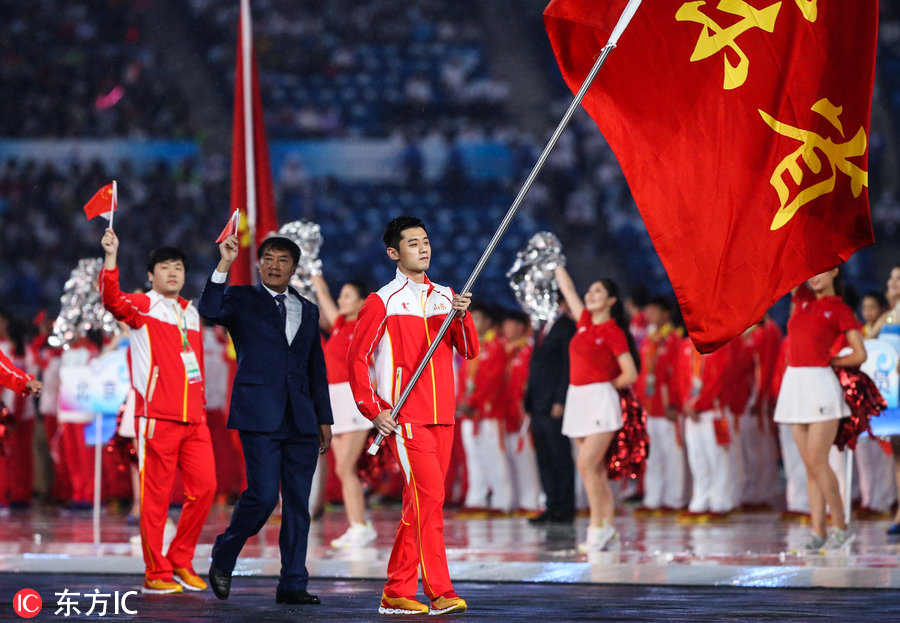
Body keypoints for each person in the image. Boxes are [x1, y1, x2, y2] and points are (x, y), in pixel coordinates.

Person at [347, 216, 477, 616]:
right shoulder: (382, 300)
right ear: (394, 253)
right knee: (432, 498)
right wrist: (375, 409)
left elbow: (468, 350)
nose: (424, 248)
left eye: (426, 241)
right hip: (406, 419)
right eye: (413, 243)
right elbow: (356, 359)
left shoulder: (446, 296)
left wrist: (462, 317)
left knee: (419, 503)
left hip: (444, 418)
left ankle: (396, 591)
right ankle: (439, 591)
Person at [201, 234, 333, 606]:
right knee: (260, 497)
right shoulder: (241, 299)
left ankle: (293, 582)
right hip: (258, 414)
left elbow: (315, 367)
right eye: (268, 259)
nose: (275, 265)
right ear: (259, 263)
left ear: (294, 267)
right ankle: (225, 551)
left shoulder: (307, 309)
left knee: (297, 505)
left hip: (302, 420)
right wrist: (224, 264)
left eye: (283, 260)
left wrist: (324, 418)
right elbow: (209, 309)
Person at [100, 228, 217, 594]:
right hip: (156, 418)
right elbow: (110, 299)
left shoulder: (191, 312)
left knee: (207, 488)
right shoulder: (142, 304)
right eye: (165, 267)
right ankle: (156, 571)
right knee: (156, 499)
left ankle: (181, 558)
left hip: (194, 419)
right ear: (151, 275)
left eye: (178, 267)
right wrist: (111, 257)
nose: (172, 273)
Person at [774, 268, 866, 551]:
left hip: (820, 385)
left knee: (818, 461)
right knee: (809, 467)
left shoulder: (839, 308)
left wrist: (834, 362)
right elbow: (791, 266)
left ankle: (840, 526)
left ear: (834, 271)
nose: (813, 276)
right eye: (810, 271)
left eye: (820, 271)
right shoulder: (801, 298)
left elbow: (860, 353)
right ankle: (819, 532)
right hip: (795, 384)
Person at [554, 265, 639, 552]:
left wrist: (605, 387)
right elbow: (567, 289)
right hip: (577, 399)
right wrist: (556, 263)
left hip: (600, 398)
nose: (590, 294)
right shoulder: (585, 322)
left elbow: (630, 372)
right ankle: (608, 528)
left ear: (611, 300)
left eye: (598, 291)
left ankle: (597, 527)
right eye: (589, 290)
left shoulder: (613, 331)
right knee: (595, 470)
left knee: (586, 464)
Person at [310, 272, 377, 548]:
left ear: (362, 303)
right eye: (342, 295)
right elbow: (324, 298)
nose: (341, 300)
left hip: (354, 398)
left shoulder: (365, 328)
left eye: (347, 296)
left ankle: (360, 526)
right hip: (333, 398)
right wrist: (315, 275)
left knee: (346, 469)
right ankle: (358, 525)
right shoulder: (338, 325)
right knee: (342, 469)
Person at [524, 296, 577, 525]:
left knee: (560, 456)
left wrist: (561, 400)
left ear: (562, 304)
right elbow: (535, 365)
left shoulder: (567, 327)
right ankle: (551, 504)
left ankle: (565, 508)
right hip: (537, 403)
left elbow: (568, 365)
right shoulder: (541, 327)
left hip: (554, 404)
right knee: (543, 457)